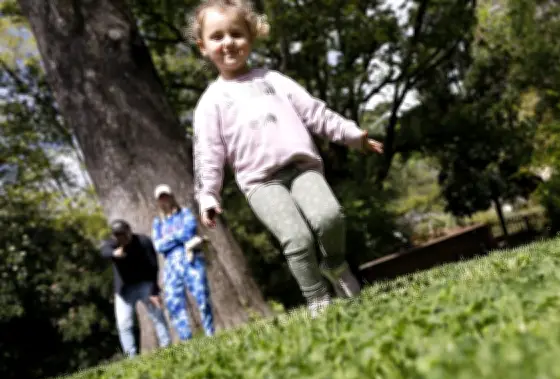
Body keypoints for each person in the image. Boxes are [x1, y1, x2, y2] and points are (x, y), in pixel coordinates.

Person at [187, 0, 384, 316]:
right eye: (217, 37)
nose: (228, 43)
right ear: (203, 46)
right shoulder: (210, 104)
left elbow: (314, 113)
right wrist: (207, 195)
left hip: (301, 167)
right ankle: (317, 298)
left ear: (250, 37)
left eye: (236, 34)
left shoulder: (273, 80)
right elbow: (208, 154)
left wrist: (351, 135)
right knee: (297, 237)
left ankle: (335, 265)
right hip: (261, 184)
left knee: (329, 217)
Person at [151, 184, 216, 341]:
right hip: (171, 265)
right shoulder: (157, 223)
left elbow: (188, 231)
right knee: (174, 303)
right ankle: (186, 339)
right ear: (157, 202)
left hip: (191, 258)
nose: (164, 200)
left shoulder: (185, 213)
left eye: (166, 196)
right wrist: (176, 237)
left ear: (172, 196)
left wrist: (169, 239)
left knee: (202, 297)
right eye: (161, 198)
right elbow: (158, 245)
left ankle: (210, 334)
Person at [100, 219, 172, 358]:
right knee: (124, 324)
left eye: (123, 234)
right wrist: (114, 254)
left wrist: (154, 291)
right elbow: (104, 251)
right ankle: (131, 357)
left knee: (157, 315)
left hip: (144, 284)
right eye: (117, 236)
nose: (121, 238)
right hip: (124, 290)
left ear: (129, 232)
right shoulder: (114, 245)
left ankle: (167, 346)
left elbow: (153, 267)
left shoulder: (143, 241)